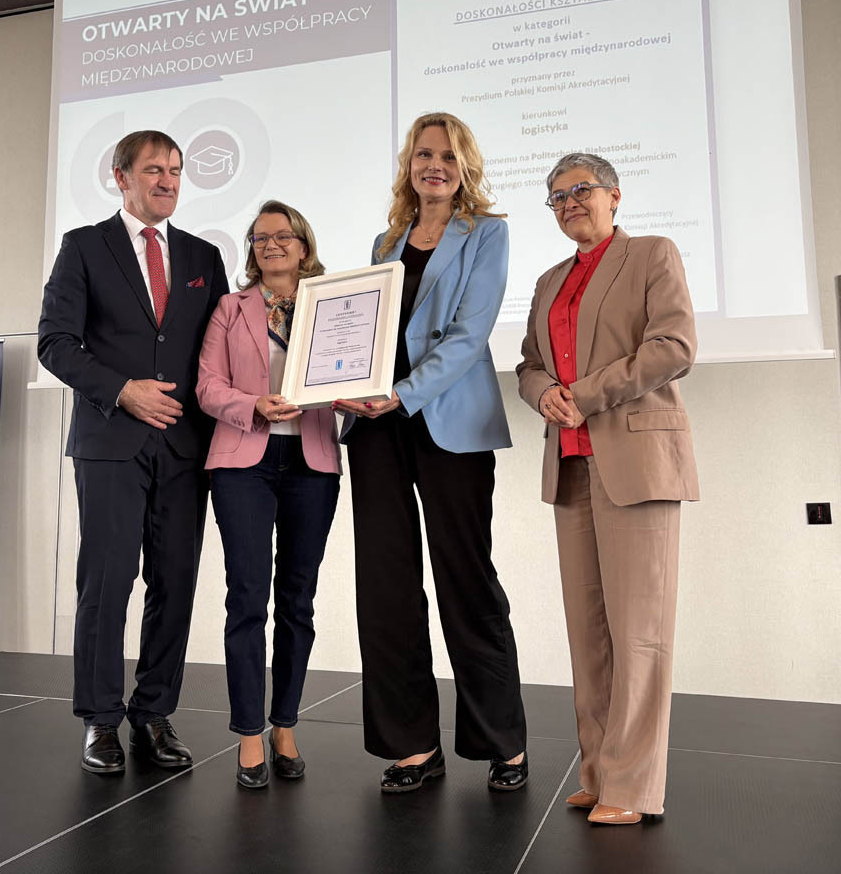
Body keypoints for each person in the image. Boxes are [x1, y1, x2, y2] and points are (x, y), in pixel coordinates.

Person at [334, 112, 527, 794]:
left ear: (464, 164)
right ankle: (412, 744)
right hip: (377, 427)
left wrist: (403, 393)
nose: (434, 165)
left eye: (447, 155)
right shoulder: (385, 242)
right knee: (386, 586)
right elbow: (367, 332)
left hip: (447, 421)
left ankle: (502, 741)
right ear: (408, 165)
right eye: (423, 154)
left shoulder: (487, 233)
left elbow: (471, 335)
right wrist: (345, 381)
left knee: (466, 579)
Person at [516, 152, 700, 824]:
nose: (569, 203)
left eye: (581, 190)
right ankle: (598, 772)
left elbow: (674, 346)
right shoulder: (548, 281)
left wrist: (583, 394)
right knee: (589, 633)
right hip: (570, 466)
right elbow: (528, 365)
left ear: (614, 195)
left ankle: (632, 787)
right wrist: (543, 393)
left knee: (640, 632)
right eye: (557, 196)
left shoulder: (652, 253)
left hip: (637, 459)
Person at [38, 129, 228, 775]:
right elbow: (55, 343)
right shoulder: (84, 247)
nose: (168, 181)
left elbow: (221, 350)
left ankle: (154, 713)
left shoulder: (203, 255)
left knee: (174, 582)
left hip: (185, 445)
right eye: (154, 170)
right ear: (120, 176)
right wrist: (123, 391)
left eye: (175, 170)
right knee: (107, 581)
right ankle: (99, 719)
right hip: (111, 441)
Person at [197, 201, 341, 789]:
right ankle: (249, 734)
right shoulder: (230, 308)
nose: (271, 245)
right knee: (247, 598)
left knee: (298, 601)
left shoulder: (335, 305)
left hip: (313, 462)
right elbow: (207, 387)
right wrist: (252, 404)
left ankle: (285, 725)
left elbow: (350, 372)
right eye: (260, 238)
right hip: (243, 465)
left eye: (283, 236)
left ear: (304, 245)